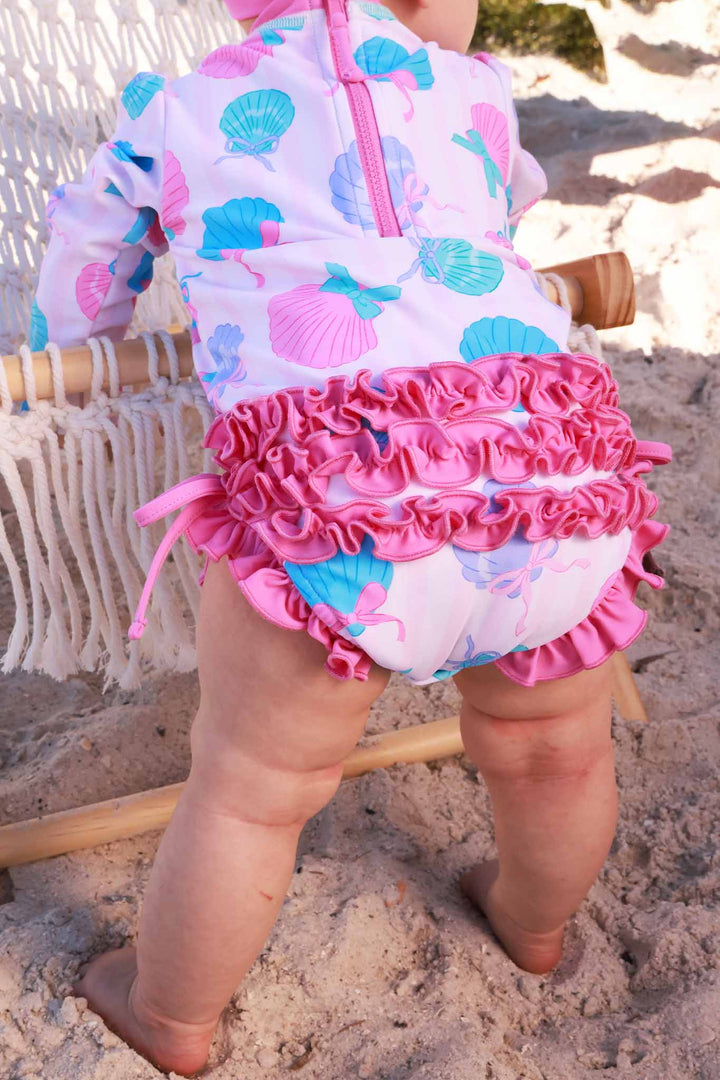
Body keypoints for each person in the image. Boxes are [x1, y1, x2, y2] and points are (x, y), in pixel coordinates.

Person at [31, 0, 670, 1073]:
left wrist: (68, 364)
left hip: (339, 501)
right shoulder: (474, 90)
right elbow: (482, 235)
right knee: (558, 751)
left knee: (251, 790)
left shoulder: (177, 106)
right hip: (547, 476)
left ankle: (170, 1015)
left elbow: (88, 258)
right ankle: (535, 928)